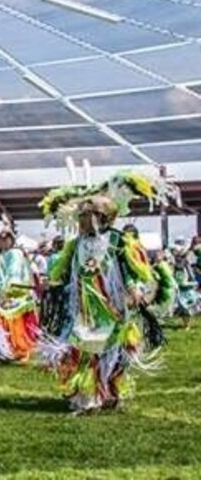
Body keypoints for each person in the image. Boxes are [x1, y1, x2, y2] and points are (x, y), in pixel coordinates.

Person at [38, 171, 173, 414]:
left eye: (84, 215)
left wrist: (133, 288)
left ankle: (109, 392)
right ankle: (88, 395)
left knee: (112, 352)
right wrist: (51, 282)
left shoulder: (117, 240)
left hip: (112, 308)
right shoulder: (76, 243)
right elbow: (64, 269)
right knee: (86, 350)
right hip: (84, 309)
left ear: (100, 217)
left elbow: (131, 268)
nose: (79, 219)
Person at [0, 223, 39, 362]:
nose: (2, 242)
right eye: (0, 240)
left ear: (11, 239)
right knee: (2, 319)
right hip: (2, 293)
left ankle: (21, 350)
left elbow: (13, 273)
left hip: (15, 294)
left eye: (5, 239)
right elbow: (0, 274)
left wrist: (7, 292)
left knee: (16, 322)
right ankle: (6, 349)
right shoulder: (5, 253)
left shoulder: (15, 253)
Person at [170, 237, 200, 329]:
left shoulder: (186, 257)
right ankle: (186, 324)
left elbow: (186, 254)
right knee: (182, 305)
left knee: (190, 303)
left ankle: (188, 324)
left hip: (187, 282)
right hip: (180, 283)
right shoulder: (175, 257)